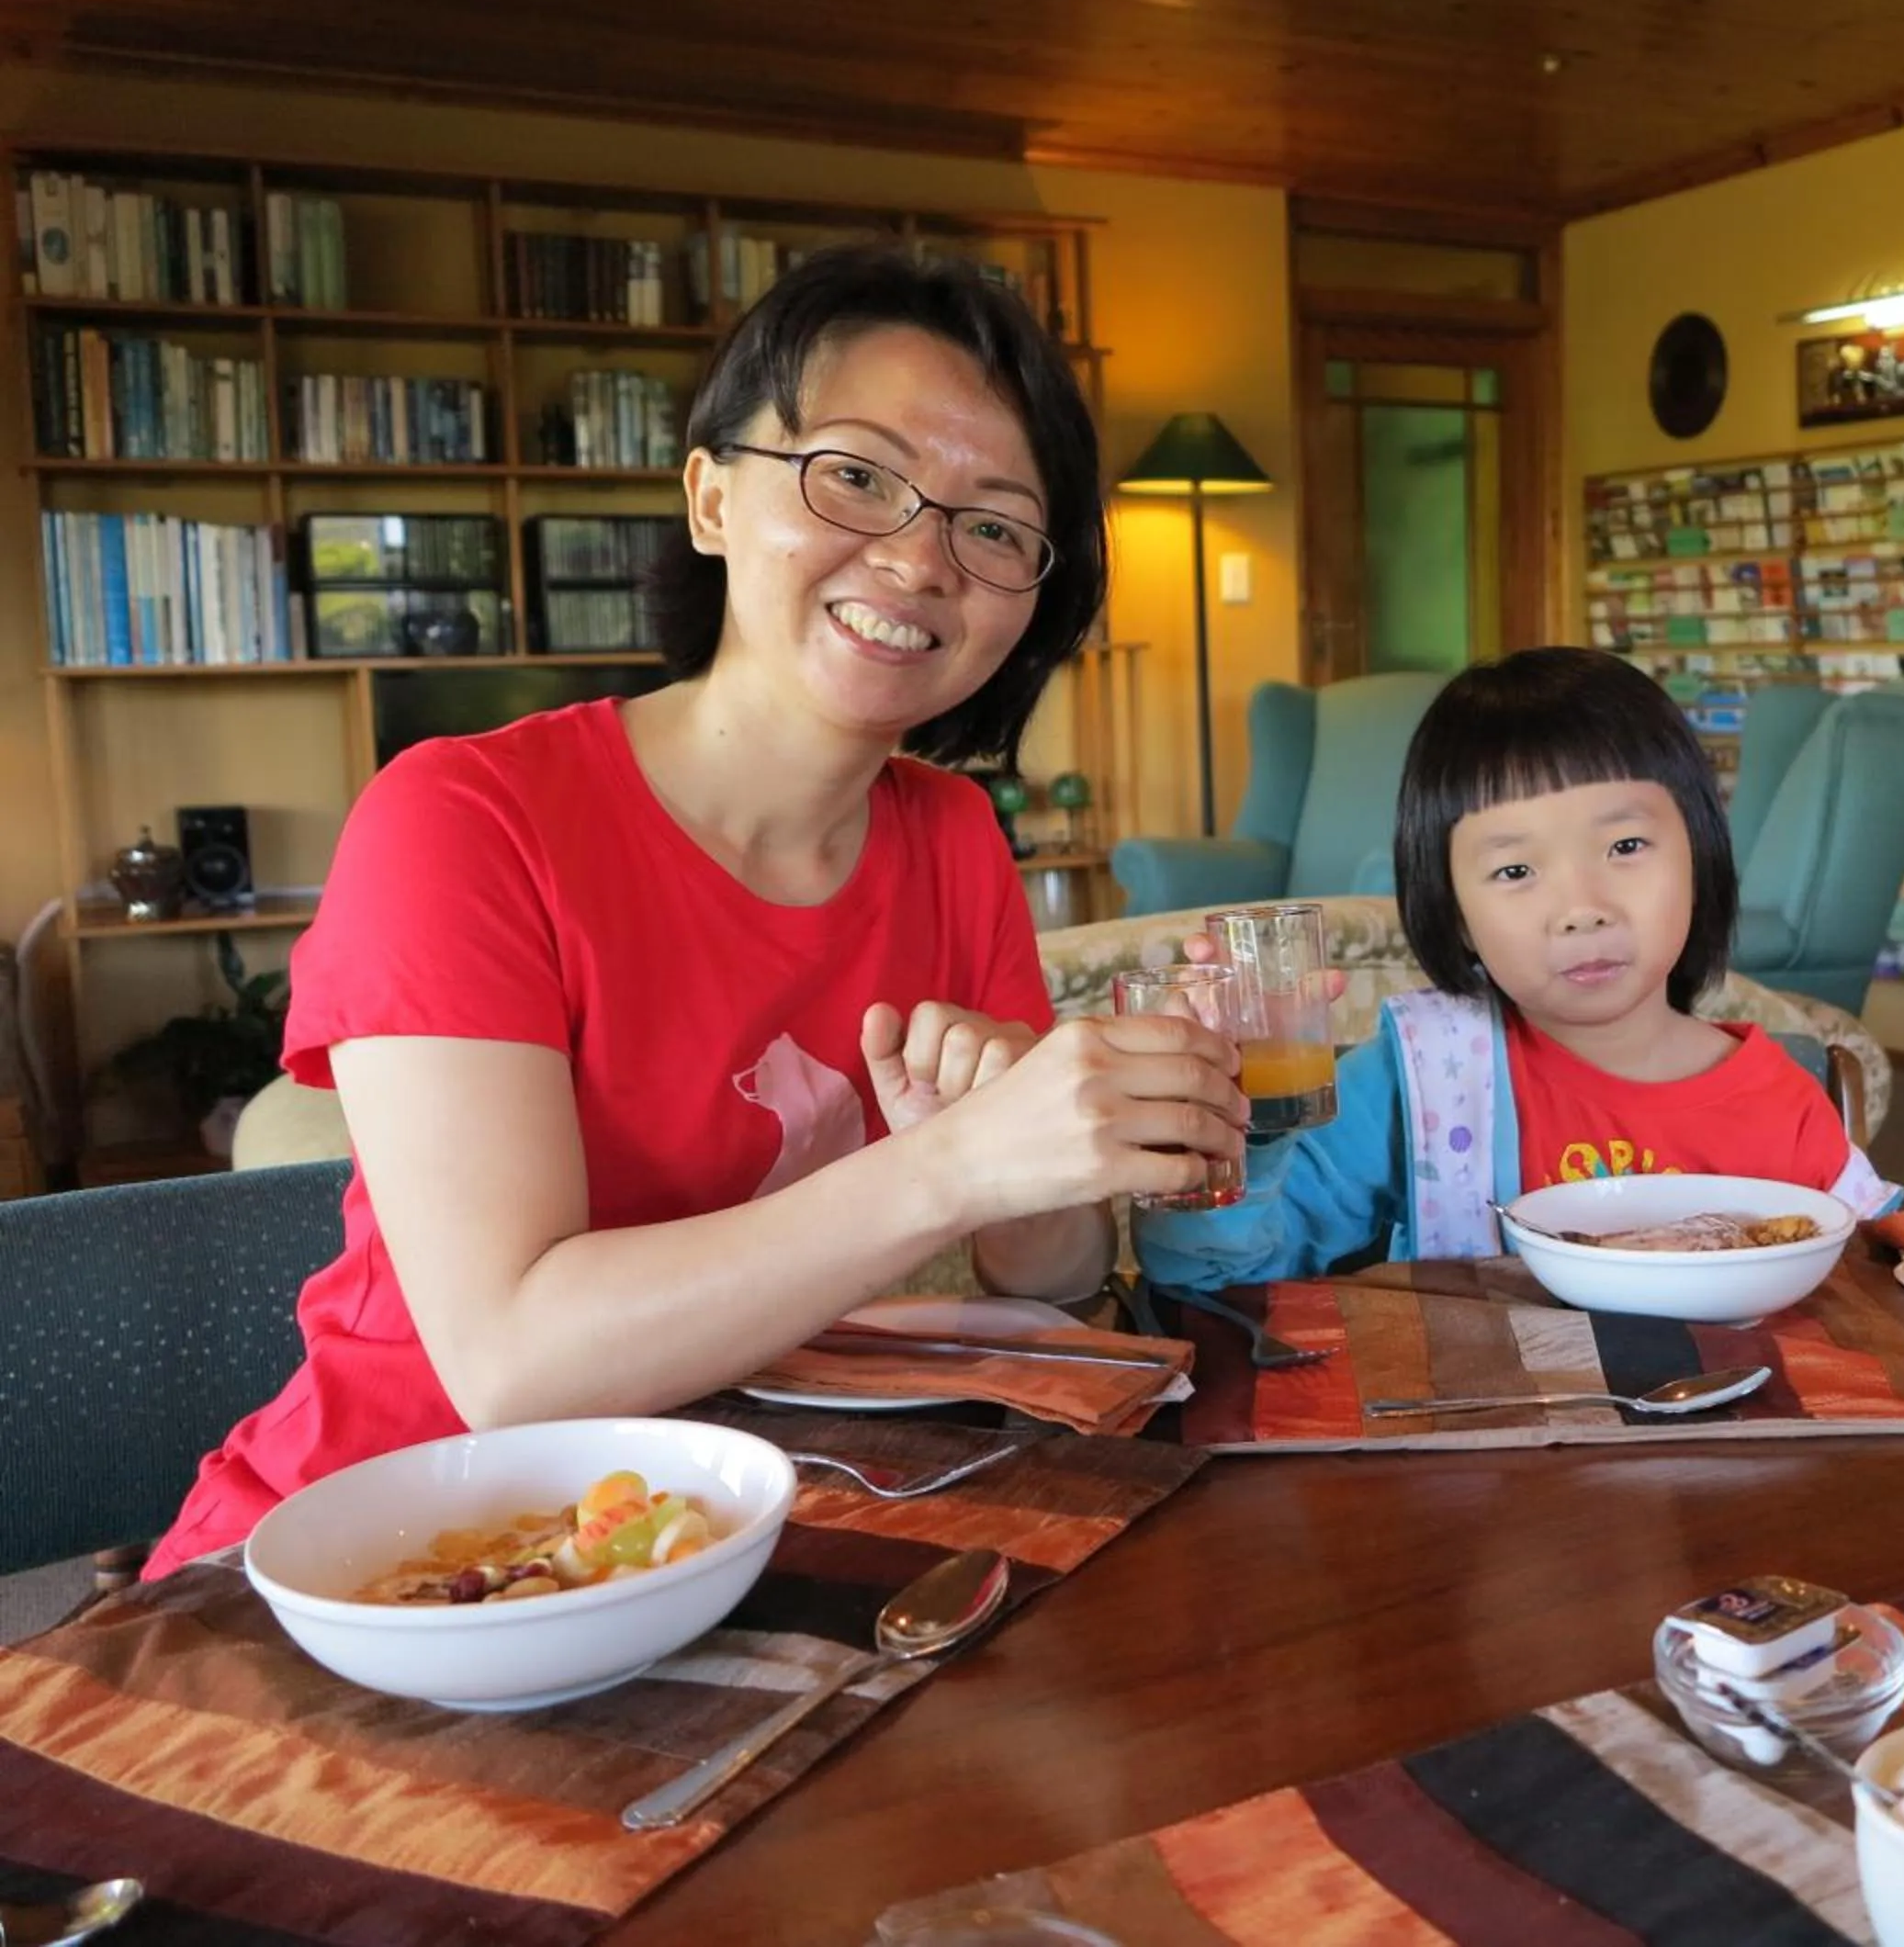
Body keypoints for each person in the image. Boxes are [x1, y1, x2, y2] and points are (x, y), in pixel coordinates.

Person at [147, 245, 1245, 1576]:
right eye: (856, 473)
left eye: (995, 524)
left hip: (728, 1525)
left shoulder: (952, 836)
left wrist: (1040, 1166)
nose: (919, 557)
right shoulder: (463, 820)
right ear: (713, 495)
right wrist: (947, 1168)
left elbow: (1050, 1279)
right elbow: (512, 1360)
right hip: (389, 1548)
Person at [1133, 647, 1898, 1292]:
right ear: (1456, 913)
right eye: (1514, 871)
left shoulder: (1786, 1106)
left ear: (1700, 857)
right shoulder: (1422, 1078)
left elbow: (1871, 1298)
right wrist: (1241, 1116)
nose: (1581, 907)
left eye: (1626, 847)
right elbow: (1207, 1276)